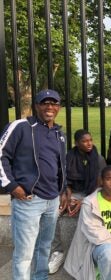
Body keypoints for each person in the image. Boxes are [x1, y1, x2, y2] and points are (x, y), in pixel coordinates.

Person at [0, 89, 67, 279]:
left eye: (54, 103)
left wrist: (62, 190)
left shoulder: (58, 133)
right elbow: (1, 154)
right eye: (45, 102)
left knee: (44, 248)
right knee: (24, 254)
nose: (49, 107)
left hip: (52, 200)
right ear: (37, 106)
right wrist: (12, 186)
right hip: (28, 200)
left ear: (59, 107)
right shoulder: (21, 127)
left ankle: (40, 277)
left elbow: (60, 165)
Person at [48, 129, 106, 274]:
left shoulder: (98, 159)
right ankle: (57, 252)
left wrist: (83, 201)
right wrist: (66, 193)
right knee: (52, 214)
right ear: (76, 143)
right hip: (72, 193)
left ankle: (86, 255)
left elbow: (100, 186)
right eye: (84, 141)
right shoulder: (69, 157)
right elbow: (62, 179)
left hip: (91, 194)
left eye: (90, 140)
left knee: (88, 216)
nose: (89, 143)